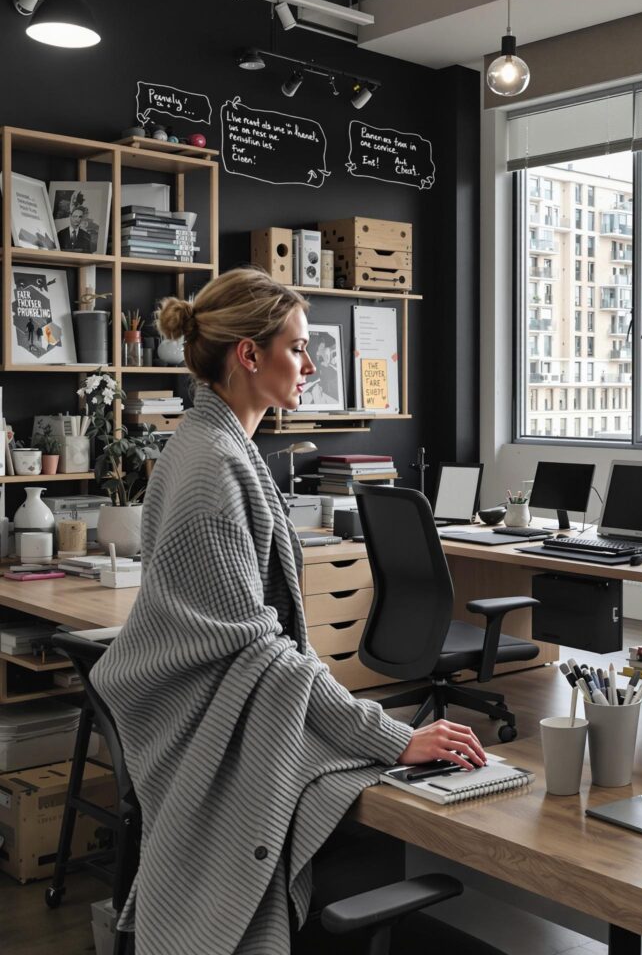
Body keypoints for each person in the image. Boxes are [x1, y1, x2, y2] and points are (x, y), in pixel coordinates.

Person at [92, 268, 487, 955]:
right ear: (249, 355)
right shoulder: (215, 466)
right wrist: (391, 736)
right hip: (207, 725)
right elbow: (257, 652)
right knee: (363, 784)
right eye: (299, 348)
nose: (311, 364)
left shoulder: (211, 444)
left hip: (220, 707)